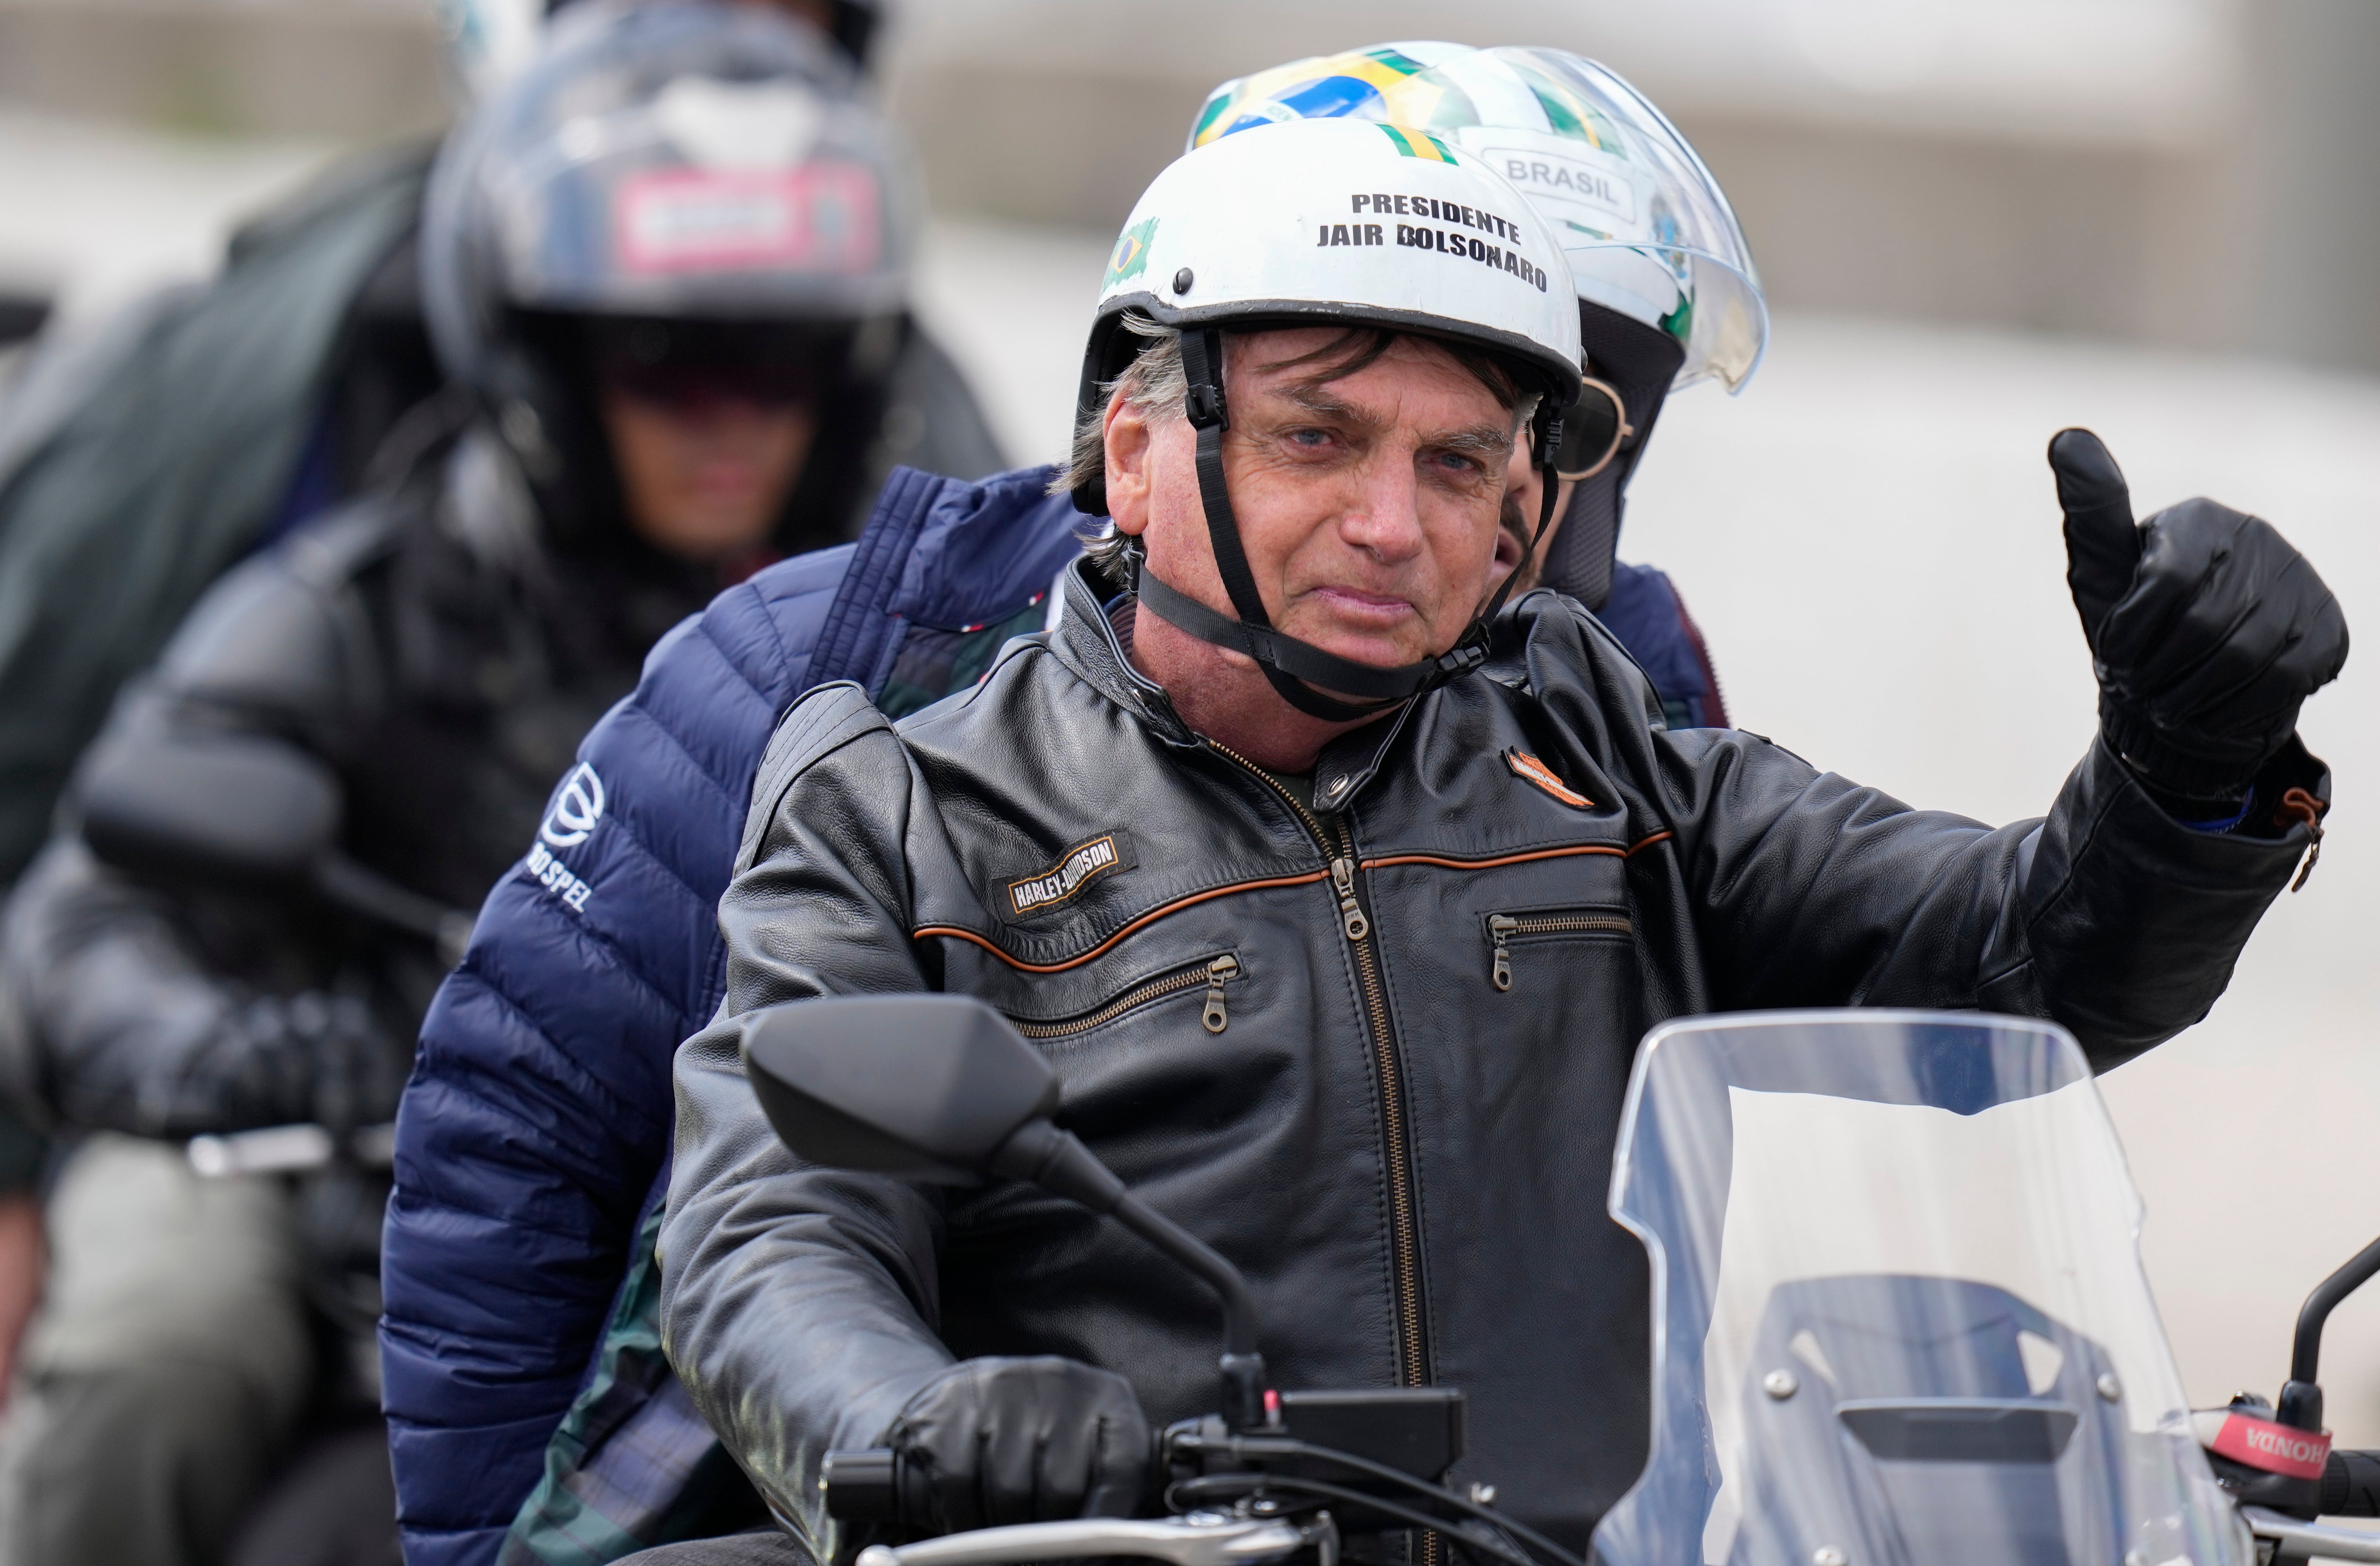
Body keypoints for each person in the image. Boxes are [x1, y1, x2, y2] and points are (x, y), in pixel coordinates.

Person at [641, 113, 2342, 1566]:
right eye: (1319, 436)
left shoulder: (1596, 757)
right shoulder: (907, 810)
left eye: (1459, 461)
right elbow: (770, 1240)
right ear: (1135, 451)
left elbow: (2017, 968)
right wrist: (925, 1416)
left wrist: (2182, 774)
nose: (1394, 523)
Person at [378, 48, 1764, 1566]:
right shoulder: (834, 656)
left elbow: (1738, 1105)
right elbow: (526, 1115)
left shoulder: (1623, 677)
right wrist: (481, 1543)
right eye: (1343, 408)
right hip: (923, 1500)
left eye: (1535, 413)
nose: (1439, 504)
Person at [0, 9, 944, 1564]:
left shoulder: (919, 611)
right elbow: (86, 912)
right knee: (153, 1357)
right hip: (332, 1163)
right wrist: (232, 1054)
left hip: (749, 1165)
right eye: (667, 363)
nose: (734, 420)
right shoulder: (366, 598)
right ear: (543, 355)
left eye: (781, 362)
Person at [1186, 43, 1755, 728]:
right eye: (1326, 428)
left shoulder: (1642, 682)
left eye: (1568, 421)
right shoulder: (1029, 617)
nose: (1509, 463)